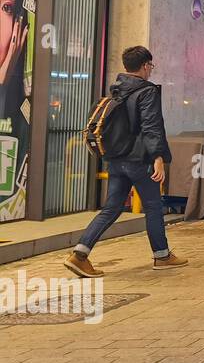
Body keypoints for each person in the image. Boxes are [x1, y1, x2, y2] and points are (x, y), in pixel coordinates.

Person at [64, 46, 188, 278]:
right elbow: (152, 127)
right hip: (139, 160)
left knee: (111, 208)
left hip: (116, 160)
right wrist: (159, 159)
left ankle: (79, 254)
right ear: (144, 66)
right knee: (153, 206)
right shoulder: (147, 92)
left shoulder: (116, 91)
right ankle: (162, 256)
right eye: (150, 66)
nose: (151, 70)